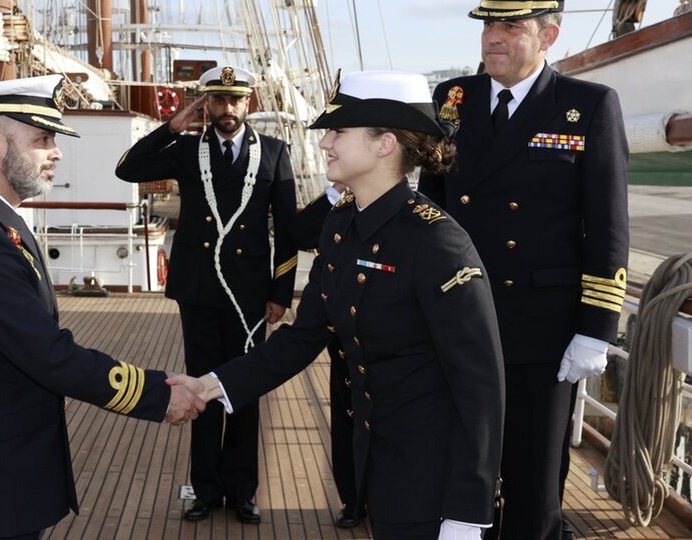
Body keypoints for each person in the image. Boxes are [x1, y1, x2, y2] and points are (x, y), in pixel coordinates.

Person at [175, 70, 507, 539]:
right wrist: (211, 385)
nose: (326, 142)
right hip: (378, 461)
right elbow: (303, 337)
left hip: (434, 476)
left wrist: (467, 514)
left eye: (339, 131)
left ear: (384, 144)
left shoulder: (438, 244)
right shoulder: (341, 225)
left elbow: (480, 389)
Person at [0, 74, 204, 539]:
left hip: (4, 472)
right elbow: (47, 354)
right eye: (43, 139)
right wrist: (157, 393)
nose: (56, 152)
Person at [418, 2, 629, 538]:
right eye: (489, 25)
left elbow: (608, 226)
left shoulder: (587, 105)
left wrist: (596, 329)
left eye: (510, 26)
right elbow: (433, 205)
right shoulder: (453, 98)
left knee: (533, 484)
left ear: (548, 36)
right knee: (461, 468)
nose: (493, 37)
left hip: (543, 328)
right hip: (459, 316)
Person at [115, 65, 298, 524]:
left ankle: (242, 492)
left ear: (248, 102)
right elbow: (127, 169)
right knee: (200, 390)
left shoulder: (274, 153)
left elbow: (288, 233)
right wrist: (169, 128)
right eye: (218, 101)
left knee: (245, 391)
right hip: (198, 290)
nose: (227, 110)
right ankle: (204, 490)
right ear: (207, 105)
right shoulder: (185, 148)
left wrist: (281, 292)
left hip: (250, 296)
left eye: (235, 100)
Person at [291, 182, 365, 529]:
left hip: (388, 342)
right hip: (344, 338)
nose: (327, 147)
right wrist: (336, 193)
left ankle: (379, 498)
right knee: (346, 417)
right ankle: (353, 500)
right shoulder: (340, 204)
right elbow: (300, 233)